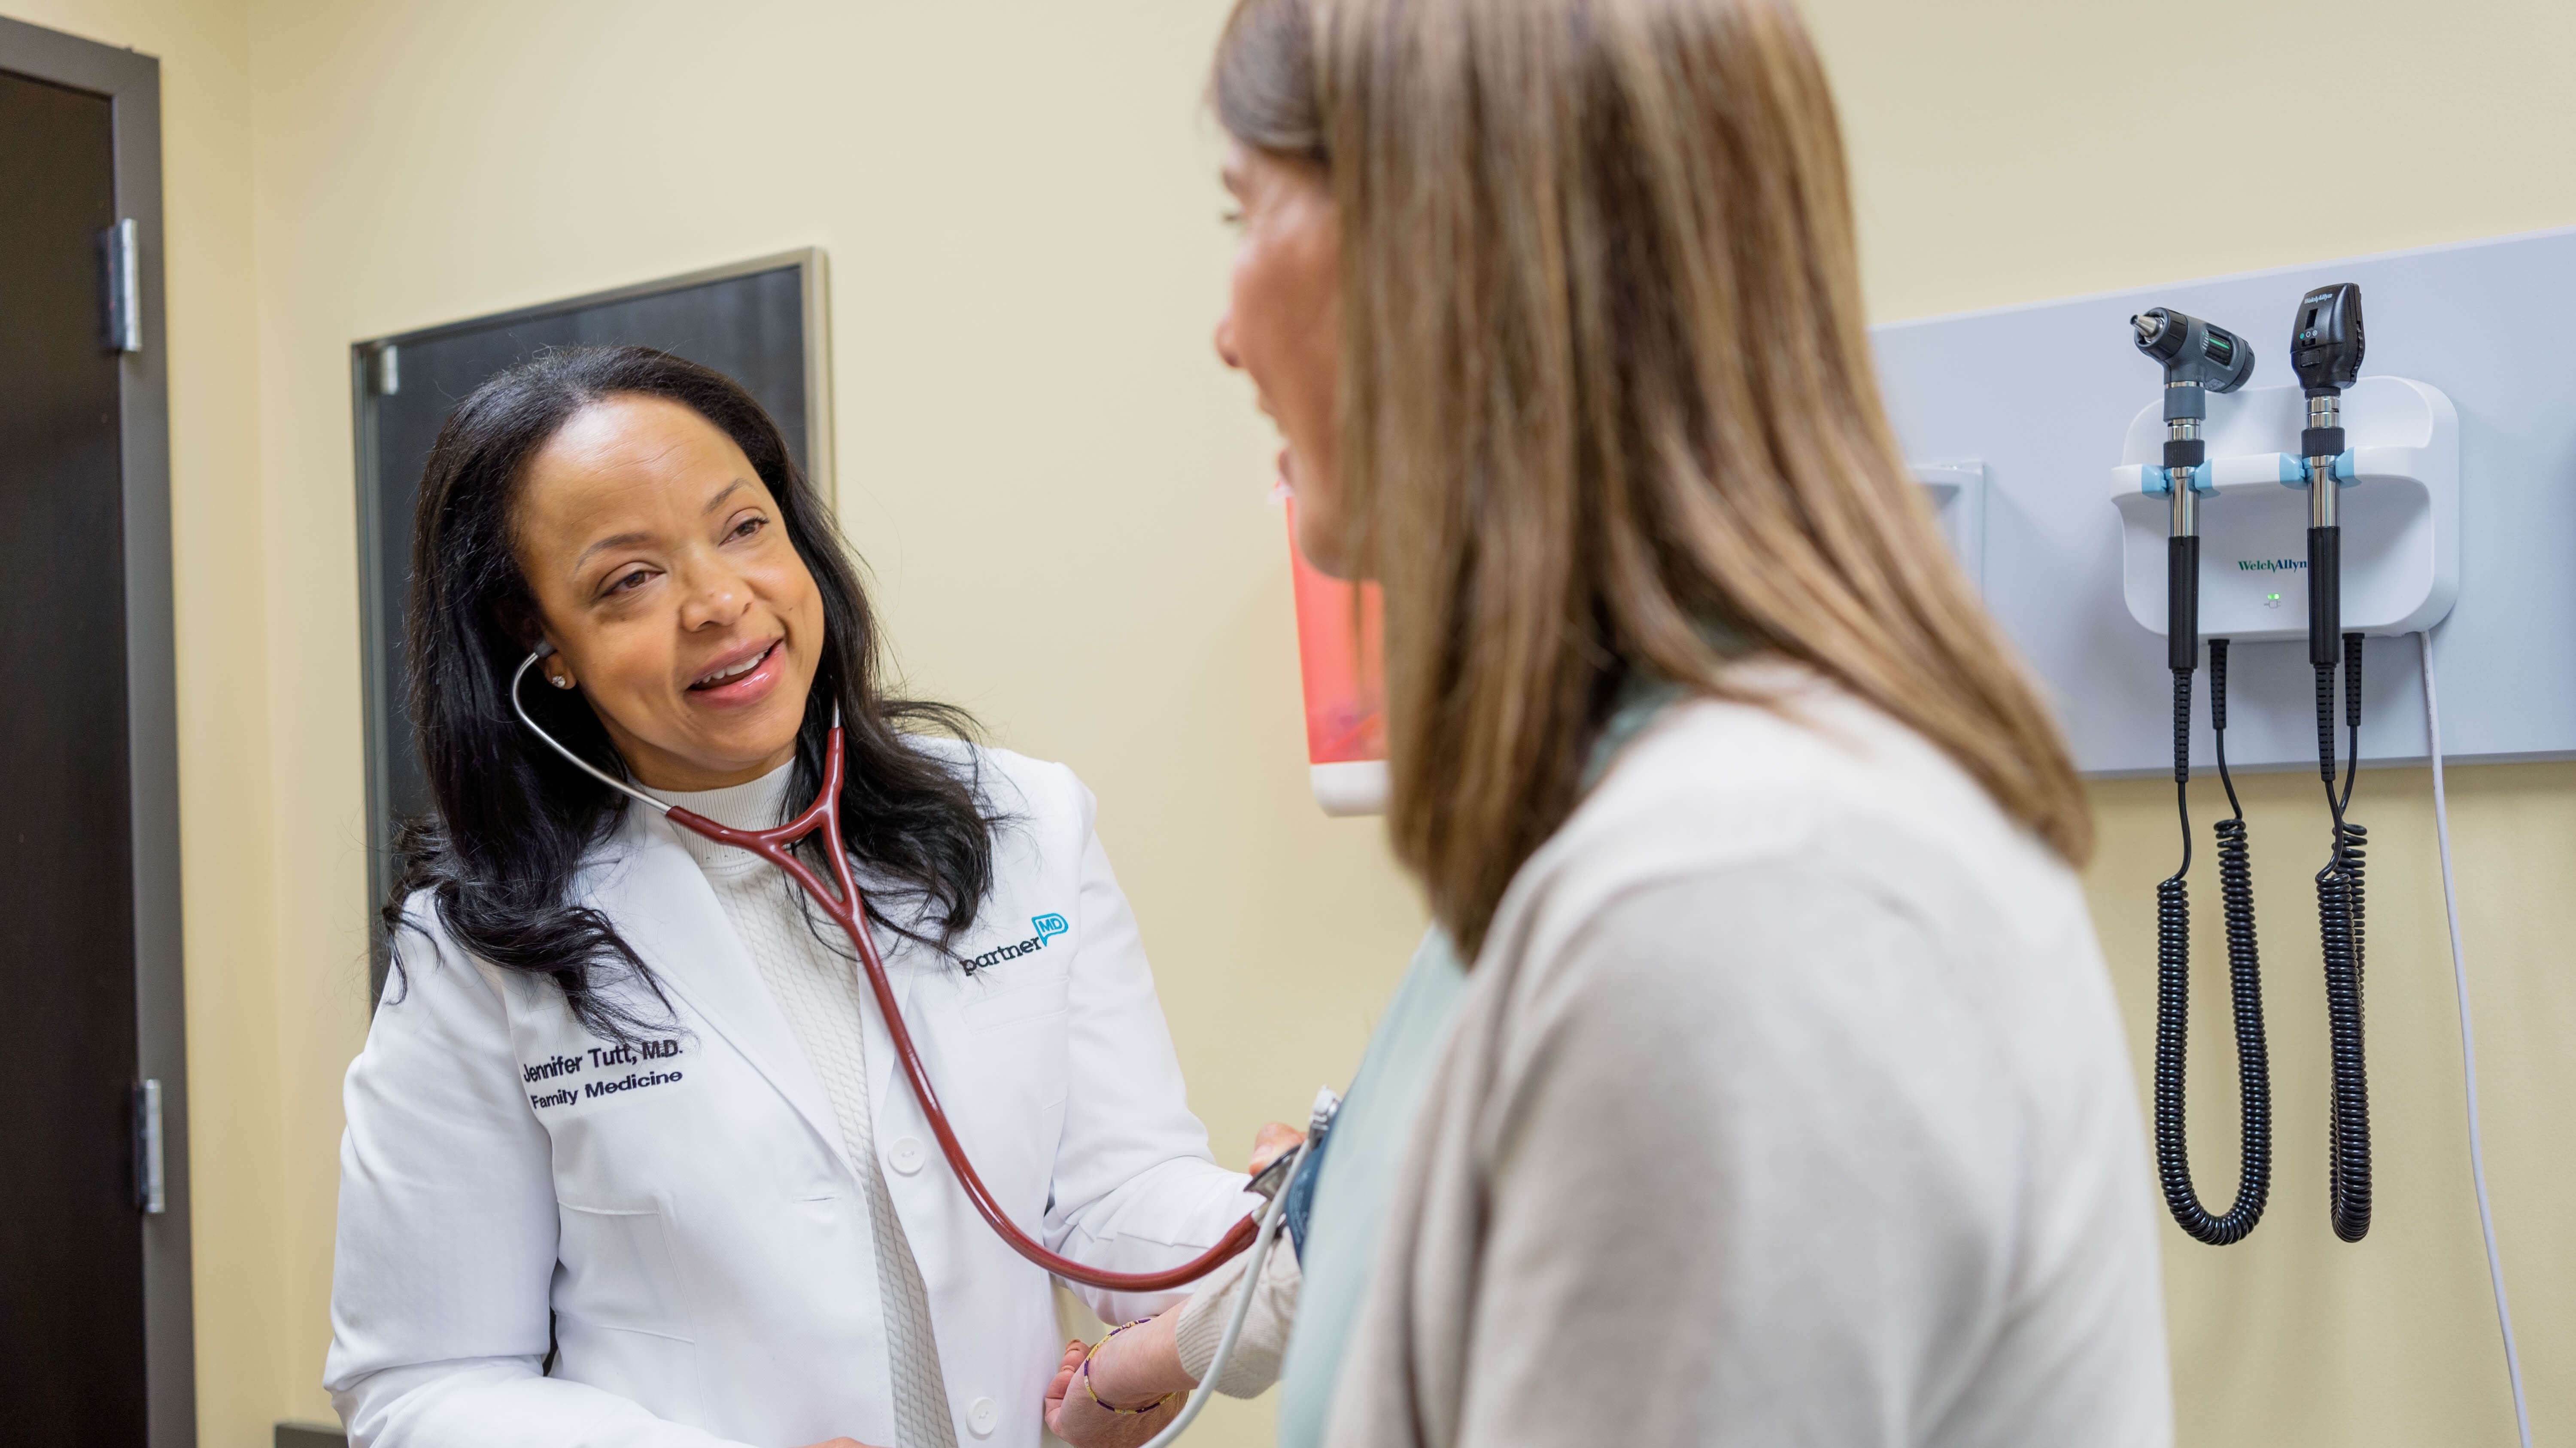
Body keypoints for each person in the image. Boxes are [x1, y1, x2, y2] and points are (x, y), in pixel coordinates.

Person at [1058, 0, 2173, 1444]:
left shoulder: (1739, 897)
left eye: (1245, 211)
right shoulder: (1649, 814)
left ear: (1445, 257)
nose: (1225, 330)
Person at [323, 346, 1276, 1448]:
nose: (722, 602)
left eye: (744, 528)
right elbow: (420, 1387)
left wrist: (1271, 1223)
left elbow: (1116, 1200)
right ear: (541, 644)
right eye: (629, 579)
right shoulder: (481, 951)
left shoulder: (1025, 828)